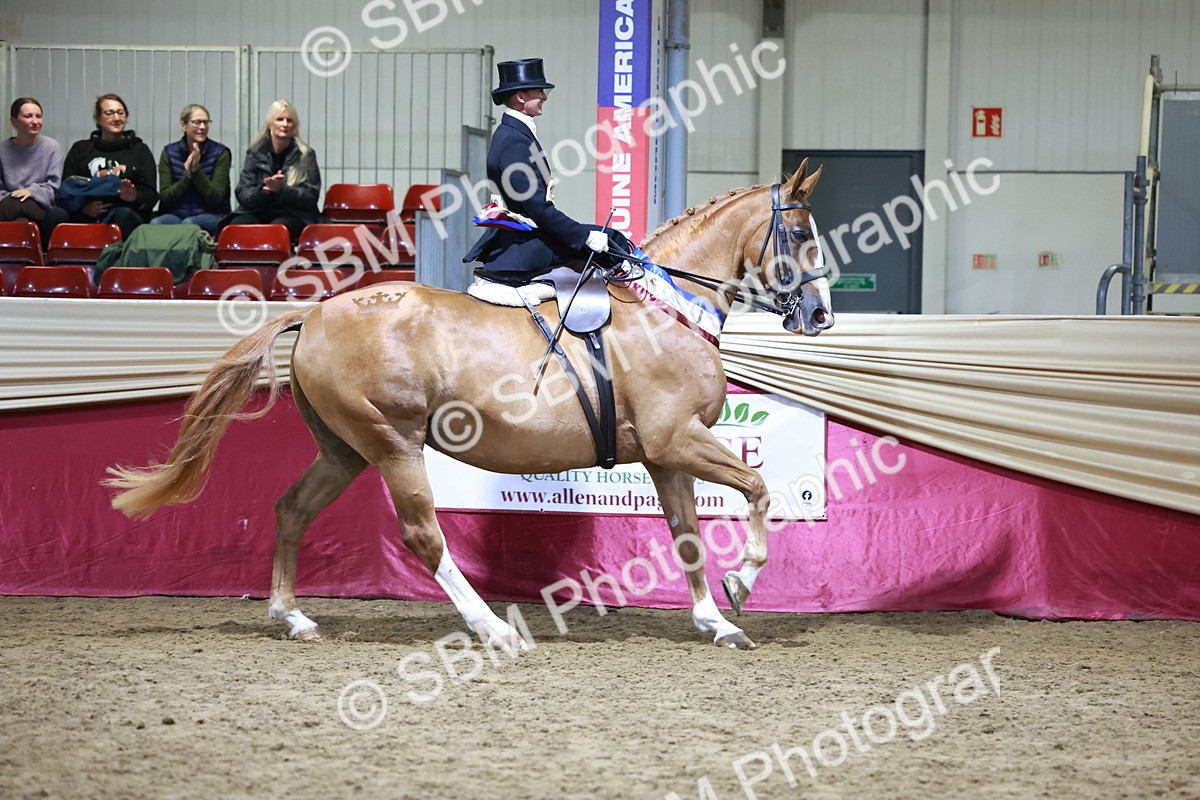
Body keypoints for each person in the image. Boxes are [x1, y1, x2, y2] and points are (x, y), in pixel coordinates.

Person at [463, 58, 612, 284]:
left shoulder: (518, 134)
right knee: (614, 240)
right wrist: (585, 236)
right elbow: (536, 207)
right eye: (539, 91)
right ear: (521, 97)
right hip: (523, 245)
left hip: (527, 237)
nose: (543, 97)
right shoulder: (513, 140)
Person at [43, 93, 158, 241]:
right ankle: (52, 262)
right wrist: (84, 208)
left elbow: (151, 196)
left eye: (120, 113)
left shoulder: (139, 150)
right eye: (109, 113)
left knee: (124, 214)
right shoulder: (80, 149)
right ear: (98, 118)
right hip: (83, 212)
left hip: (124, 212)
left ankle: (121, 262)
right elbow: (66, 189)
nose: (116, 118)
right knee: (55, 215)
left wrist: (135, 197)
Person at [225, 99, 321, 242]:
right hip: (257, 210)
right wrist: (265, 191)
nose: (284, 124)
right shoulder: (255, 153)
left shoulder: (306, 154)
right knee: (238, 225)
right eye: (279, 119)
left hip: (293, 214)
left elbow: (311, 196)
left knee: (277, 229)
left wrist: (281, 189)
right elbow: (243, 193)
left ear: (295, 125)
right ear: (270, 123)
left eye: (289, 120)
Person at [151, 103, 230, 234]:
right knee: (155, 224)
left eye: (206, 122)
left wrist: (196, 171)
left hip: (213, 215)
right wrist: (187, 177)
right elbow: (165, 198)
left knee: (189, 224)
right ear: (184, 125)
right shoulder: (169, 153)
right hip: (175, 215)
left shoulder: (220, 153)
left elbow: (216, 198)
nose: (202, 127)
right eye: (197, 122)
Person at [0, 97, 64, 244]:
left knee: (56, 214)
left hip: (40, 205)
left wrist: (31, 192)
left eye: (38, 116)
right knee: (20, 218)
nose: (35, 121)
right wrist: (14, 196)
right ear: (13, 121)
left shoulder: (52, 147)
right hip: (9, 203)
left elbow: (54, 187)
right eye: (28, 116)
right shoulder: (2, 150)